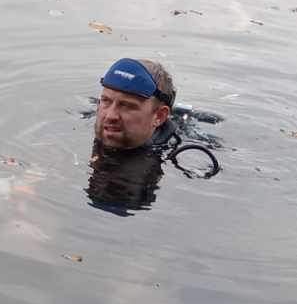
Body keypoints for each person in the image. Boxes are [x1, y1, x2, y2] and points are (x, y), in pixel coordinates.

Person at [87, 57, 219, 213]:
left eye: (127, 106)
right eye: (106, 101)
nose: (110, 116)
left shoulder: (183, 155)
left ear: (159, 116)